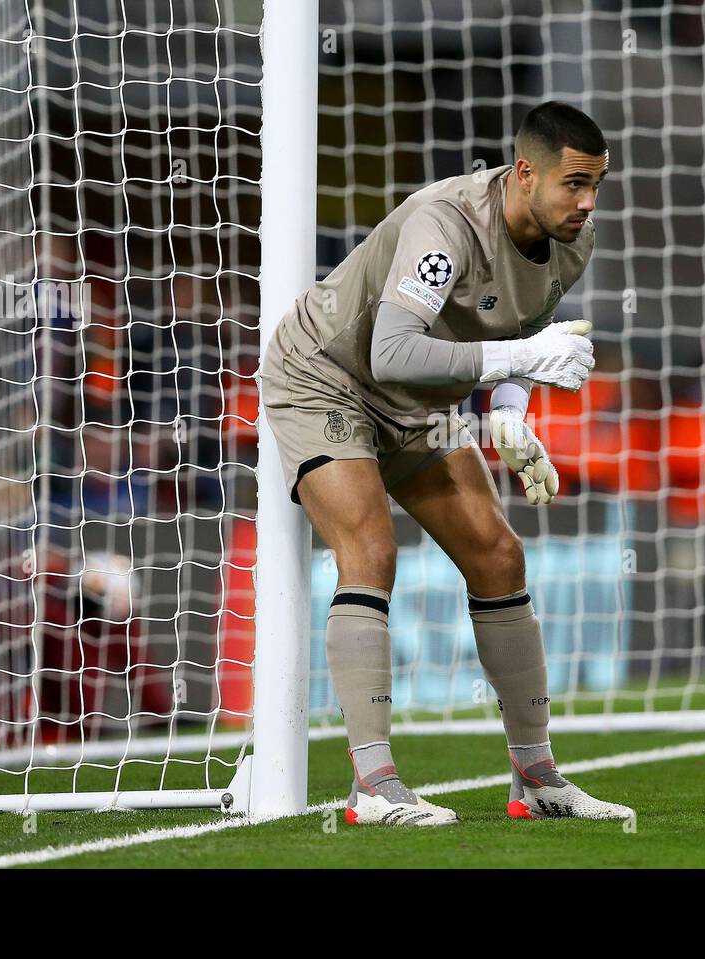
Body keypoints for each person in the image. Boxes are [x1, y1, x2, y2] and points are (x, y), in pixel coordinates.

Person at [260, 101, 633, 826]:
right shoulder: (446, 225)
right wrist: (522, 359)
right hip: (328, 374)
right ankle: (373, 785)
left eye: (597, 186)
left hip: (420, 401)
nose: (588, 203)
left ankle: (538, 775)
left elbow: (519, 338)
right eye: (575, 184)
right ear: (525, 174)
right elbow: (392, 349)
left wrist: (512, 414)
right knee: (370, 548)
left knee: (499, 555)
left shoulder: (572, 242)